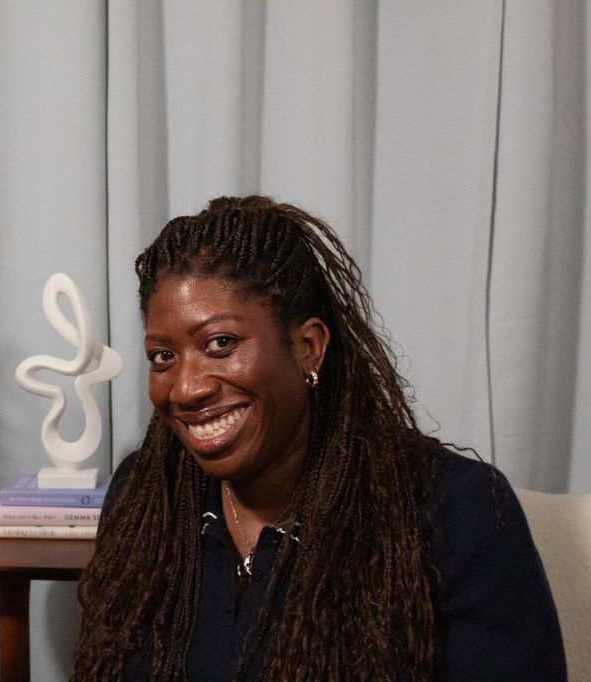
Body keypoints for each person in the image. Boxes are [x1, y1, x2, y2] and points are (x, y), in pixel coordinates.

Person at [72, 196, 566, 680]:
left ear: (308, 348)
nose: (186, 387)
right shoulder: (145, 495)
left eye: (220, 344)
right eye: (163, 356)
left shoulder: (455, 510)